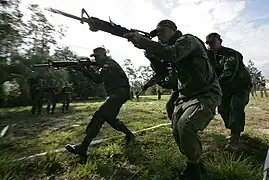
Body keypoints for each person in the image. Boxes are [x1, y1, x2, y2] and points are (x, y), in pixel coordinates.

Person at [124, 20, 222, 180]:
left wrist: (143, 42)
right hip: (186, 96)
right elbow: (165, 74)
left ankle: (194, 169)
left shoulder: (187, 40)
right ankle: (194, 160)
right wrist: (152, 57)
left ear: (174, 30)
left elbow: (173, 54)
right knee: (177, 128)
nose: (159, 36)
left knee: (186, 125)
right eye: (156, 34)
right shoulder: (166, 49)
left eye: (162, 31)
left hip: (206, 93)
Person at [65, 47, 135, 162]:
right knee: (110, 118)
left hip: (119, 93)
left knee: (99, 115)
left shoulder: (109, 65)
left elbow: (98, 79)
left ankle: (83, 146)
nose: (96, 59)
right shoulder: (106, 64)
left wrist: (83, 69)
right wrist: (85, 68)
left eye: (98, 57)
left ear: (104, 55)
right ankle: (129, 135)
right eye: (95, 57)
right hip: (119, 93)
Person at [205, 32, 252, 150]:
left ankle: (235, 139)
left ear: (220, 42)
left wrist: (212, 85)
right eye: (208, 44)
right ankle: (233, 132)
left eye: (213, 43)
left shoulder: (231, 54)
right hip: (226, 88)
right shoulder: (210, 58)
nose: (210, 46)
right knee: (222, 108)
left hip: (240, 86)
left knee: (236, 106)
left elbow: (228, 74)